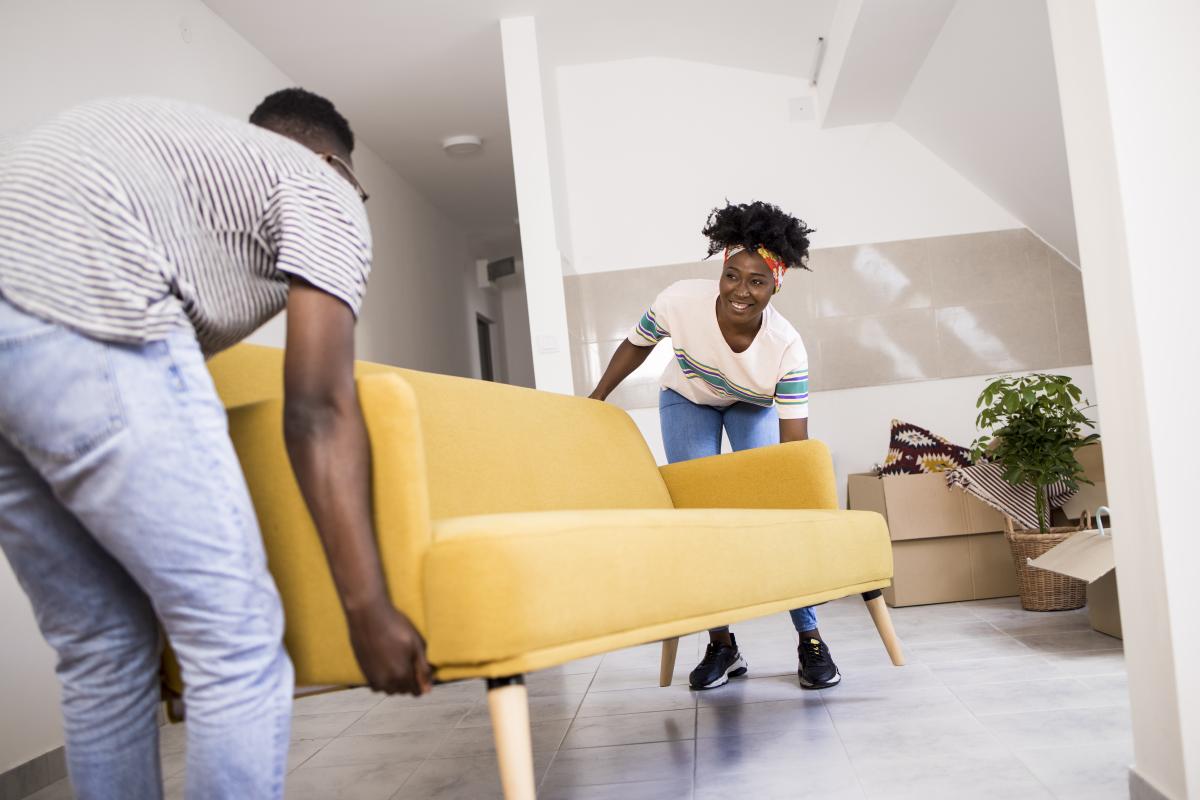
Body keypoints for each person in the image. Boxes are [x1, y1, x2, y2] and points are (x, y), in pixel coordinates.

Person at [0, 90, 432, 800]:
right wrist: (367, 610)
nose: (357, 205)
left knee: (102, 647)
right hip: (84, 294)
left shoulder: (190, 164)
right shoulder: (322, 184)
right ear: (332, 162)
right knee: (234, 640)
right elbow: (319, 410)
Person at [589, 200, 841, 691]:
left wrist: (808, 521)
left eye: (757, 281)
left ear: (775, 286)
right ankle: (722, 645)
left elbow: (794, 453)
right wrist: (597, 397)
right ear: (721, 273)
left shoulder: (787, 348)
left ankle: (810, 638)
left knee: (775, 512)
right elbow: (638, 343)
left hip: (753, 404)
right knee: (700, 517)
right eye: (732, 276)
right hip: (688, 397)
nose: (740, 291)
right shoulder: (680, 301)